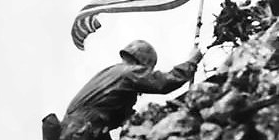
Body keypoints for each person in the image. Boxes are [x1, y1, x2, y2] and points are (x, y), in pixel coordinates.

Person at [42, 40, 203, 140]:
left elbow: (112, 116)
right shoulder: (129, 73)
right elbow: (163, 83)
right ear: (144, 63)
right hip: (80, 132)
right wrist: (191, 62)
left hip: (75, 130)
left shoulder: (111, 73)